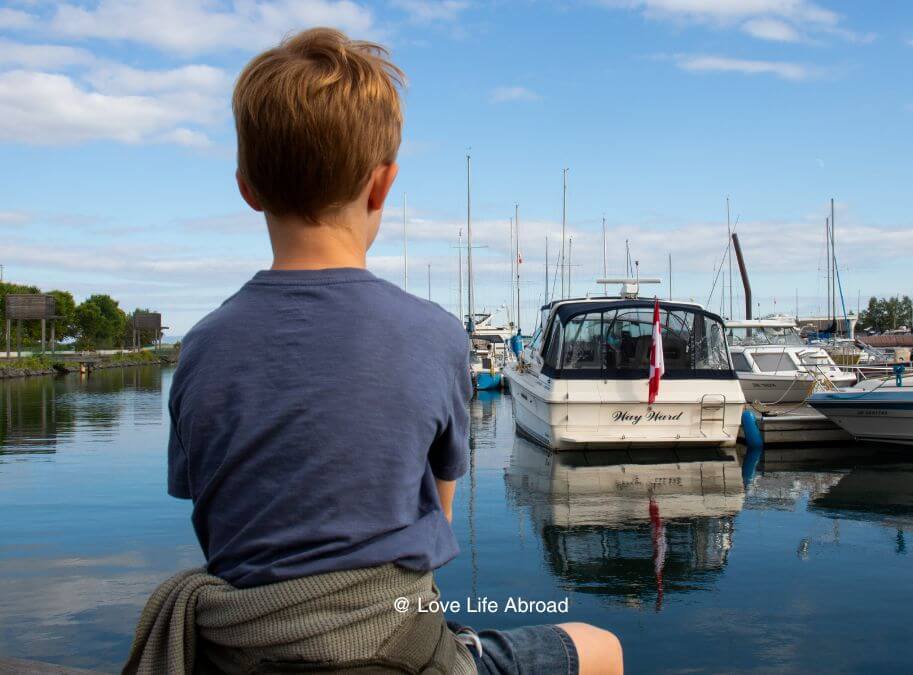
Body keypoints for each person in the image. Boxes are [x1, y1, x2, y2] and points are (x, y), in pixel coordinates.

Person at [125, 27, 622, 675]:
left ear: (247, 186)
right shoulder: (434, 335)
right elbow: (433, 528)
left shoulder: (201, 348)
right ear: (382, 185)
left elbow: (218, 520)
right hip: (397, 653)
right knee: (599, 646)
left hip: (241, 655)